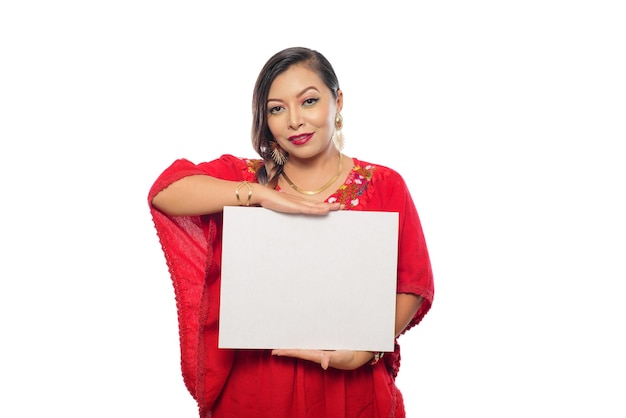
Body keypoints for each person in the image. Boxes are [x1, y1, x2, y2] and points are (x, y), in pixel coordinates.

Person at [148, 46, 434, 418]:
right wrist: (261, 196)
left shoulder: (383, 183)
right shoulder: (247, 178)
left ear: (338, 101)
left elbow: (412, 284)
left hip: (350, 388)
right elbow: (165, 192)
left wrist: (365, 351)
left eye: (309, 101)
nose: (294, 120)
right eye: (277, 108)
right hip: (259, 387)